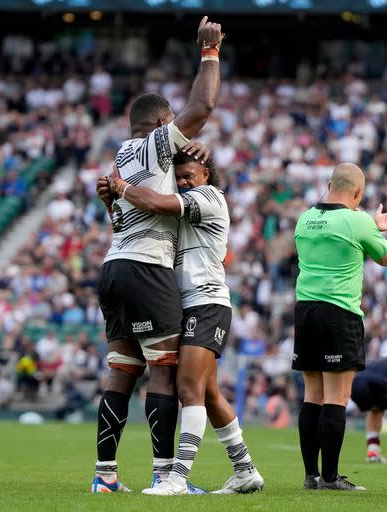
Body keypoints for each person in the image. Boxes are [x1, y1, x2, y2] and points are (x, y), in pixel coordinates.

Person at [91, 16, 223, 494]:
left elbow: (118, 217)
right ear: (163, 124)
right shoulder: (153, 146)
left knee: (121, 373)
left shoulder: (121, 156)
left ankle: (104, 476)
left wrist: (110, 198)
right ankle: (168, 476)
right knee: (163, 374)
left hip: (114, 266)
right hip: (148, 269)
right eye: (174, 126)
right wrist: (209, 52)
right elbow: (203, 105)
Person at [102, 146, 264, 495]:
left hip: (206, 302)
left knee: (188, 388)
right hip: (186, 304)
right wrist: (110, 204)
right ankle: (245, 470)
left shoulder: (209, 197)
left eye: (189, 176)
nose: (184, 182)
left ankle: (175, 478)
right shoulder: (181, 204)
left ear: (206, 174)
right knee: (206, 393)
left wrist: (121, 186)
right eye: (179, 178)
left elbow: (156, 204)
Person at [293, 163, 387, 491]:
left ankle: (311, 475)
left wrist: (367, 224)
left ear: (329, 184)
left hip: (305, 311)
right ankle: (330, 477)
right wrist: (374, 226)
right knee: (337, 398)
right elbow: (386, 258)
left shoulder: (304, 219)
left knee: (311, 395)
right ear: (358, 194)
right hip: (339, 313)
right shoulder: (358, 220)